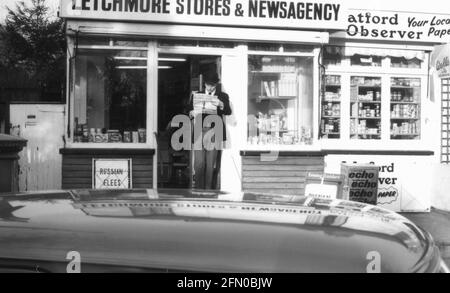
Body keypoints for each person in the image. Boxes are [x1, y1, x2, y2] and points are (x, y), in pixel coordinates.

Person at [187, 72, 232, 190]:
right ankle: (198, 190)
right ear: (204, 84)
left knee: (210, 164)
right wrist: (191, 113)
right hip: (199, 131)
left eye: (212, 85)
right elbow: (189, 111)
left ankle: (208, 191)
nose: (210, 87)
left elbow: (228, 111)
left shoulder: (223, 96)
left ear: (216, 85)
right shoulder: (197, 95)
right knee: (199, 164)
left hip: (214, 131)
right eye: (208, 85)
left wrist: (221, 104)